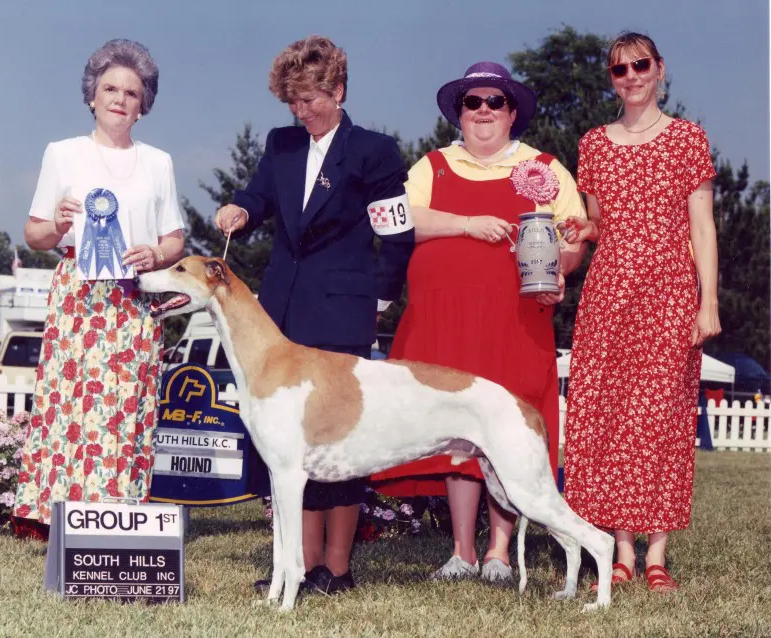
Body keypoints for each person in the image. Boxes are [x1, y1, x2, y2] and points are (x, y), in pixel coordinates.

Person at [370, 61, 586, 581]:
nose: (484, 111)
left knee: (507, 428)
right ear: (459, 113)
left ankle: (500, 550)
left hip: (514, 317)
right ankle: (462, 550)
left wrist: (563, 266)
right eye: (473, 103)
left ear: (513, 113)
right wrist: (468, 225)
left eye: (495, 102)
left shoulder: (547, 167)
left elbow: (573, 237)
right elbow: (400, 221)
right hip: (442, 319)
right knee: (455, 432)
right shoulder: (432, 165)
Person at [214, 35, 413, 593]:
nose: (302, 112)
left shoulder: (374, 150)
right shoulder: (280, 145)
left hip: (344, 311)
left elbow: (396, 236)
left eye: (310, 100)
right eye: (293, 102)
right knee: (289, 444)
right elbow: (257, 199)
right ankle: (298, 568)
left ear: (338, 90)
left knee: (342, 442)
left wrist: (377, 299)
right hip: (280, 313)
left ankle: (339, 567)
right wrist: (239, 209)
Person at [561, 32, 721, 592]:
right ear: (611, 78)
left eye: (641, 65)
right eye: (619, 69)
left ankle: (657, 554)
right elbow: (600, 224)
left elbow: (702, 226)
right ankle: (620, 550)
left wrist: (709, 302)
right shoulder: (595, 144)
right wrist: (585, 229)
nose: (631, 76)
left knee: (662, 417)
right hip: (609, 293)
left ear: (660, 69)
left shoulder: (687, 139)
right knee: (610, 417)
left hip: (671, 290)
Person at [13, 39, 185, 539]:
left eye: (132, 92)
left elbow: (175, 237)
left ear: (143, 104)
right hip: (77, 295)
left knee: (126, 404)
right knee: (69, 403)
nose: (120, 99)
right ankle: (56, 516)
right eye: (110, 88)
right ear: (92, 95)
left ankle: (120, 510)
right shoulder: (62, 153)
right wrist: (59, 223)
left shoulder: (159, 162)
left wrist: (157, 253)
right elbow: (35, 234)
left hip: (133, 298)